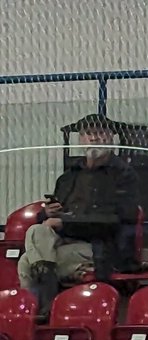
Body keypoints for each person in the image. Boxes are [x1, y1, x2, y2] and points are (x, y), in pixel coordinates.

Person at [19, 115, 141, 318]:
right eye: (88, 133)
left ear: (111, 137)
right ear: (81, 139)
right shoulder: (68, 177)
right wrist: (47, 213)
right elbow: (51, 216)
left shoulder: (123, 175)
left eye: (100, 132)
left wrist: (64, 223)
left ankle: (42, 310)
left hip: (100, 248)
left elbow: (115, 220)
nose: (94, 138)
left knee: (26, 262)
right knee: (37, 230)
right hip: (62, 244)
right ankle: (39, 309)